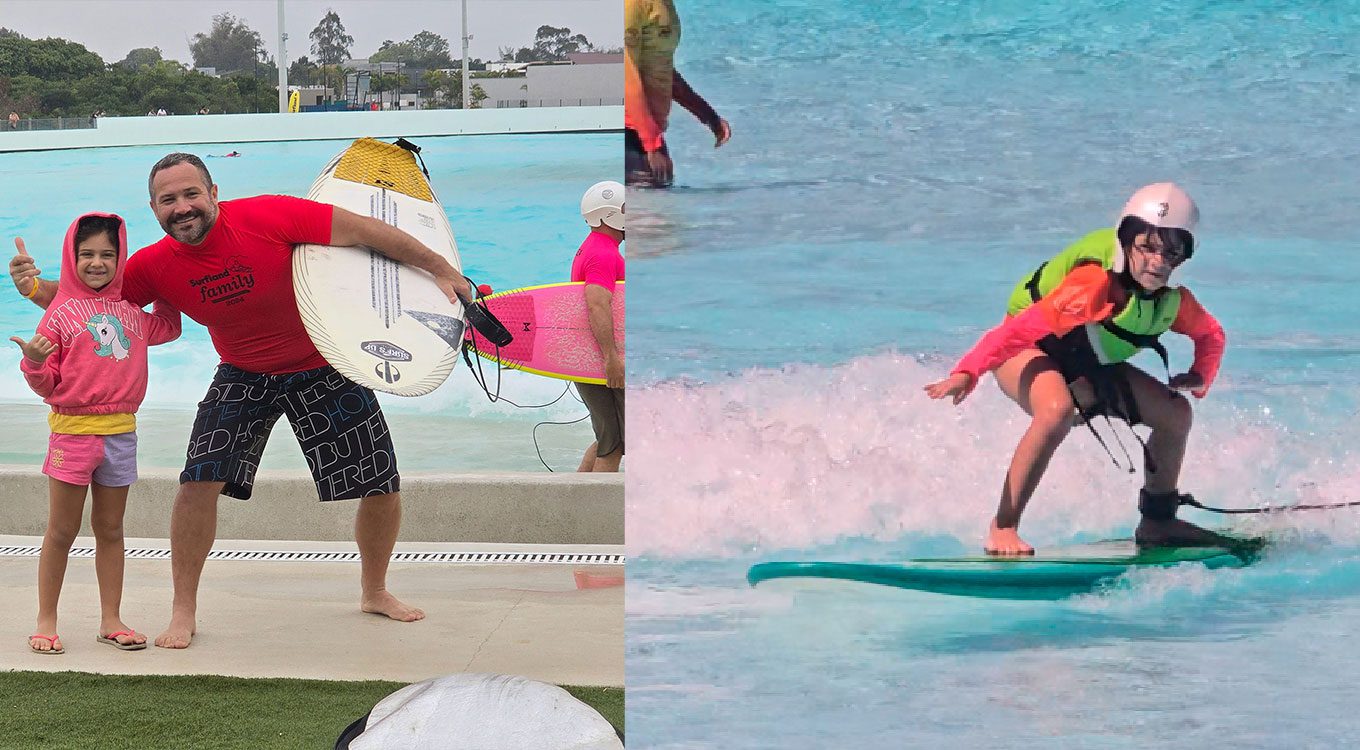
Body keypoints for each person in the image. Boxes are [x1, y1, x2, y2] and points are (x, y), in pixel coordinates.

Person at [11, 153, 478, 648]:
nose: (182, 207)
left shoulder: (269, 216)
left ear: (213, 193)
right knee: (197, 483)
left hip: (319, 362)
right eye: (168, 200)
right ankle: (183, 610)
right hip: (242, 373)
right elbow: (91, 304)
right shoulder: (152, 265)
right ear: (153, 209)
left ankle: (375, 590)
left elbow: (366, 231)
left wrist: (440, 268)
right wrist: (35, 288)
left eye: (191, 194)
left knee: (380, 480)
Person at [924, 183, 1235, 555]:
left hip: (1085, 364)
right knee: (1056, 409)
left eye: (1171, 252)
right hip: (1024, 349)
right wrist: (968, 371)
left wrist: (1200, 375)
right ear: (1126, 241)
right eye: (1147, 247)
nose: (1157, 261)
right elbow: (1014, 333)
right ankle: (1003, 527)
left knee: (1176, 413)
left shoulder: (1174, 304)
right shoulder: (1091, 286)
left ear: (1184, 256)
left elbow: (1211, 335)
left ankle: (1158, 521)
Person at [11, 214, 181, 654]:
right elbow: (46, 381)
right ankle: (46, 621)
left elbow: (170, 325)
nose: (97, 263)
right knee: (61, 531)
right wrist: (32, 360)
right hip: (72, 435)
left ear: (120, 257)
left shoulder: (132, 313)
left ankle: (111, 619)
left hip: (122, 436)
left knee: (111, 530)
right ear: (72, 257)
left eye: (108, 254)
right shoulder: (60, 312)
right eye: (86, 254)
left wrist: (169, 280)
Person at [624, 0, 732, 188]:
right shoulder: (631, 4)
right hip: (629, 135)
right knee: (650, 211)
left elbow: (661, 69)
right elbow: (624, 75)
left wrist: (707, 115)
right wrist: (652, 143)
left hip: (648, 134)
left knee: (663, 211)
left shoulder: (664, 5)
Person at [573, 181, 626, 472]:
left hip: (589, 356)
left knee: (610, 437)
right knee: (614, 443)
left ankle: (576, 505)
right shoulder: (603, 254)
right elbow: (596, 304)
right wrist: (611, 359)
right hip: (601, 360)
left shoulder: (593, 248)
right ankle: (595, 517)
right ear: (607, 216)